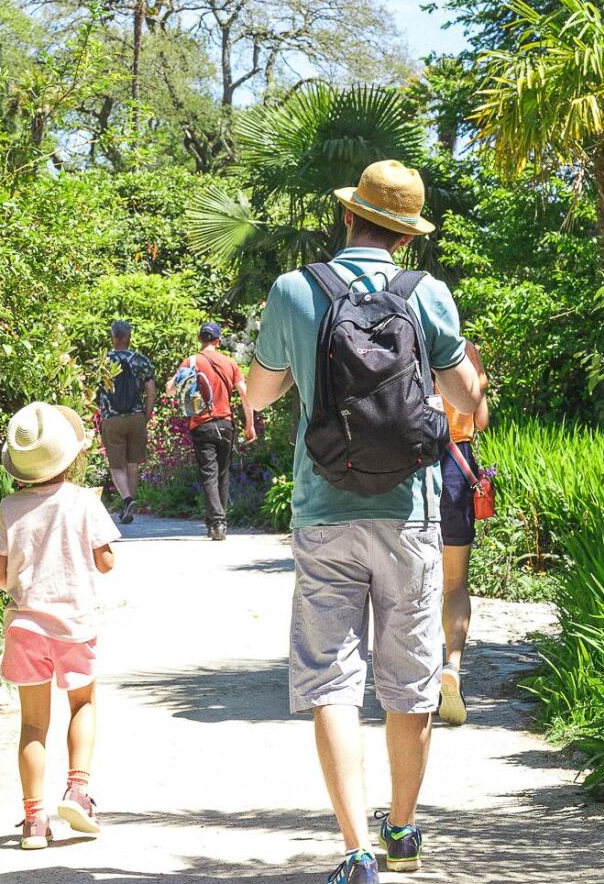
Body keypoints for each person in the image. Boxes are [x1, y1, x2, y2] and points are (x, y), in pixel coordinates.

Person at [246, 159, 485, 884]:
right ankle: (403, 830)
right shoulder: (428, 294)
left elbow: (259, 392)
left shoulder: (297, 288)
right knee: (410, 681)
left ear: (348, 216)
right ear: (406, 237)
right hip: (408, 514)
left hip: (324, 512)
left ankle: (355, 850)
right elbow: (467, 398)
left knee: (331, 680)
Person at [0, 402, 121, 850]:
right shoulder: (84, 501)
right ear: (70, 457)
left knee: (32, 725)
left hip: (26, 626)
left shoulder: (10, 507)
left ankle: (32, 823)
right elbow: (105, 562)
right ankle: (78, 792)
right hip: (75, 625)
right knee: (82, 703)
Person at [436, 341, 491, 727]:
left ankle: (412, 677)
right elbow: (481, 419)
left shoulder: (401, 340)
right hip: (457, 467)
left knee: (410, 583)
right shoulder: (465, 350)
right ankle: (451, 664)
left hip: (409, 469)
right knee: (454, 585)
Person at [166, 322, 258, 540]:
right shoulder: (229, 363)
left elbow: (170, 389)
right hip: (226, 424)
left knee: (209, 474)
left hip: (201, 424)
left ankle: (216, 522)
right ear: (217, 340)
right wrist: (250, 424)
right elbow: (245, 395)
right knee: (223, 473)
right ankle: (218, 522)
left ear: (200, 339)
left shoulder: (192, 361)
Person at [96, 320, 156, 524]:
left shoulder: (103, 362)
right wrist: (145, 416)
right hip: (136, 418)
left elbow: (93, 393)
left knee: (116, 466)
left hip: (112, 419)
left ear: (113, 337)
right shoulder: (140, 360)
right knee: (132, 463)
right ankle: (129, 503)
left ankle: (127, 499)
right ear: (129, 337)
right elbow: (151, 391)